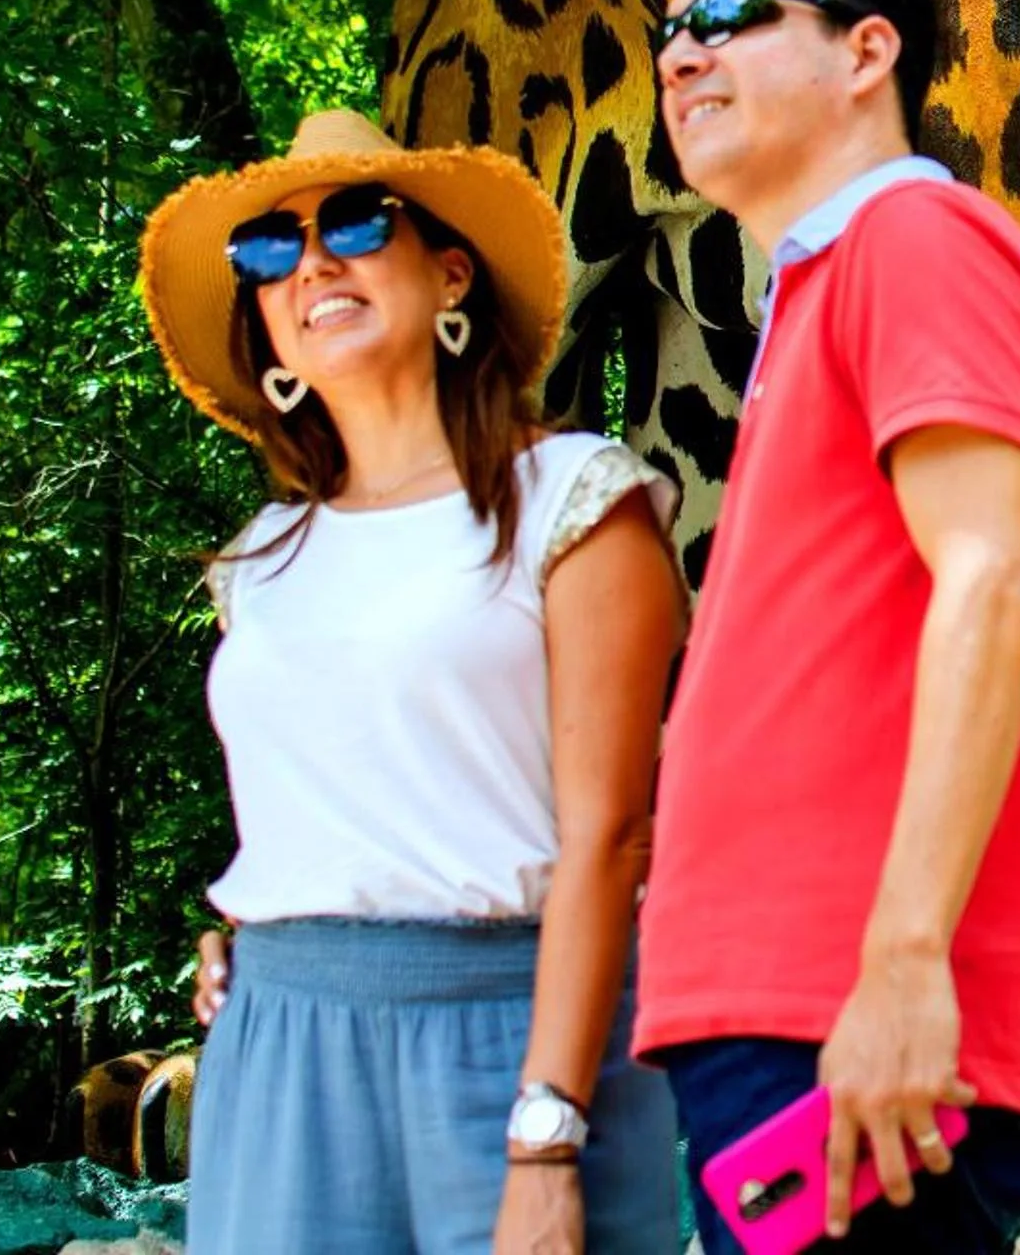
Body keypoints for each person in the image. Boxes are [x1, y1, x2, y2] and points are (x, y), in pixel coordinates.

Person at [139, 108, 683, 1255]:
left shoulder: (576, 497)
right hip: (277, 1045)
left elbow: (610, 837)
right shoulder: (259, 560)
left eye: (351, 220)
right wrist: (253, 929)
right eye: (270, 252)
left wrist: (546, 1134)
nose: (313, 262)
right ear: (271, 345)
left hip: (512, 1030)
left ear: (450, 276)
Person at [631, 0, 1020, 1255]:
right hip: (787, 1021)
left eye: (729, 18)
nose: (682, 57)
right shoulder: (827, 284)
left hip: (850, 1021)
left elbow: (995, 581)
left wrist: (901, 966)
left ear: (865, 51)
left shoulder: (910, 240)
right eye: (670, 33)